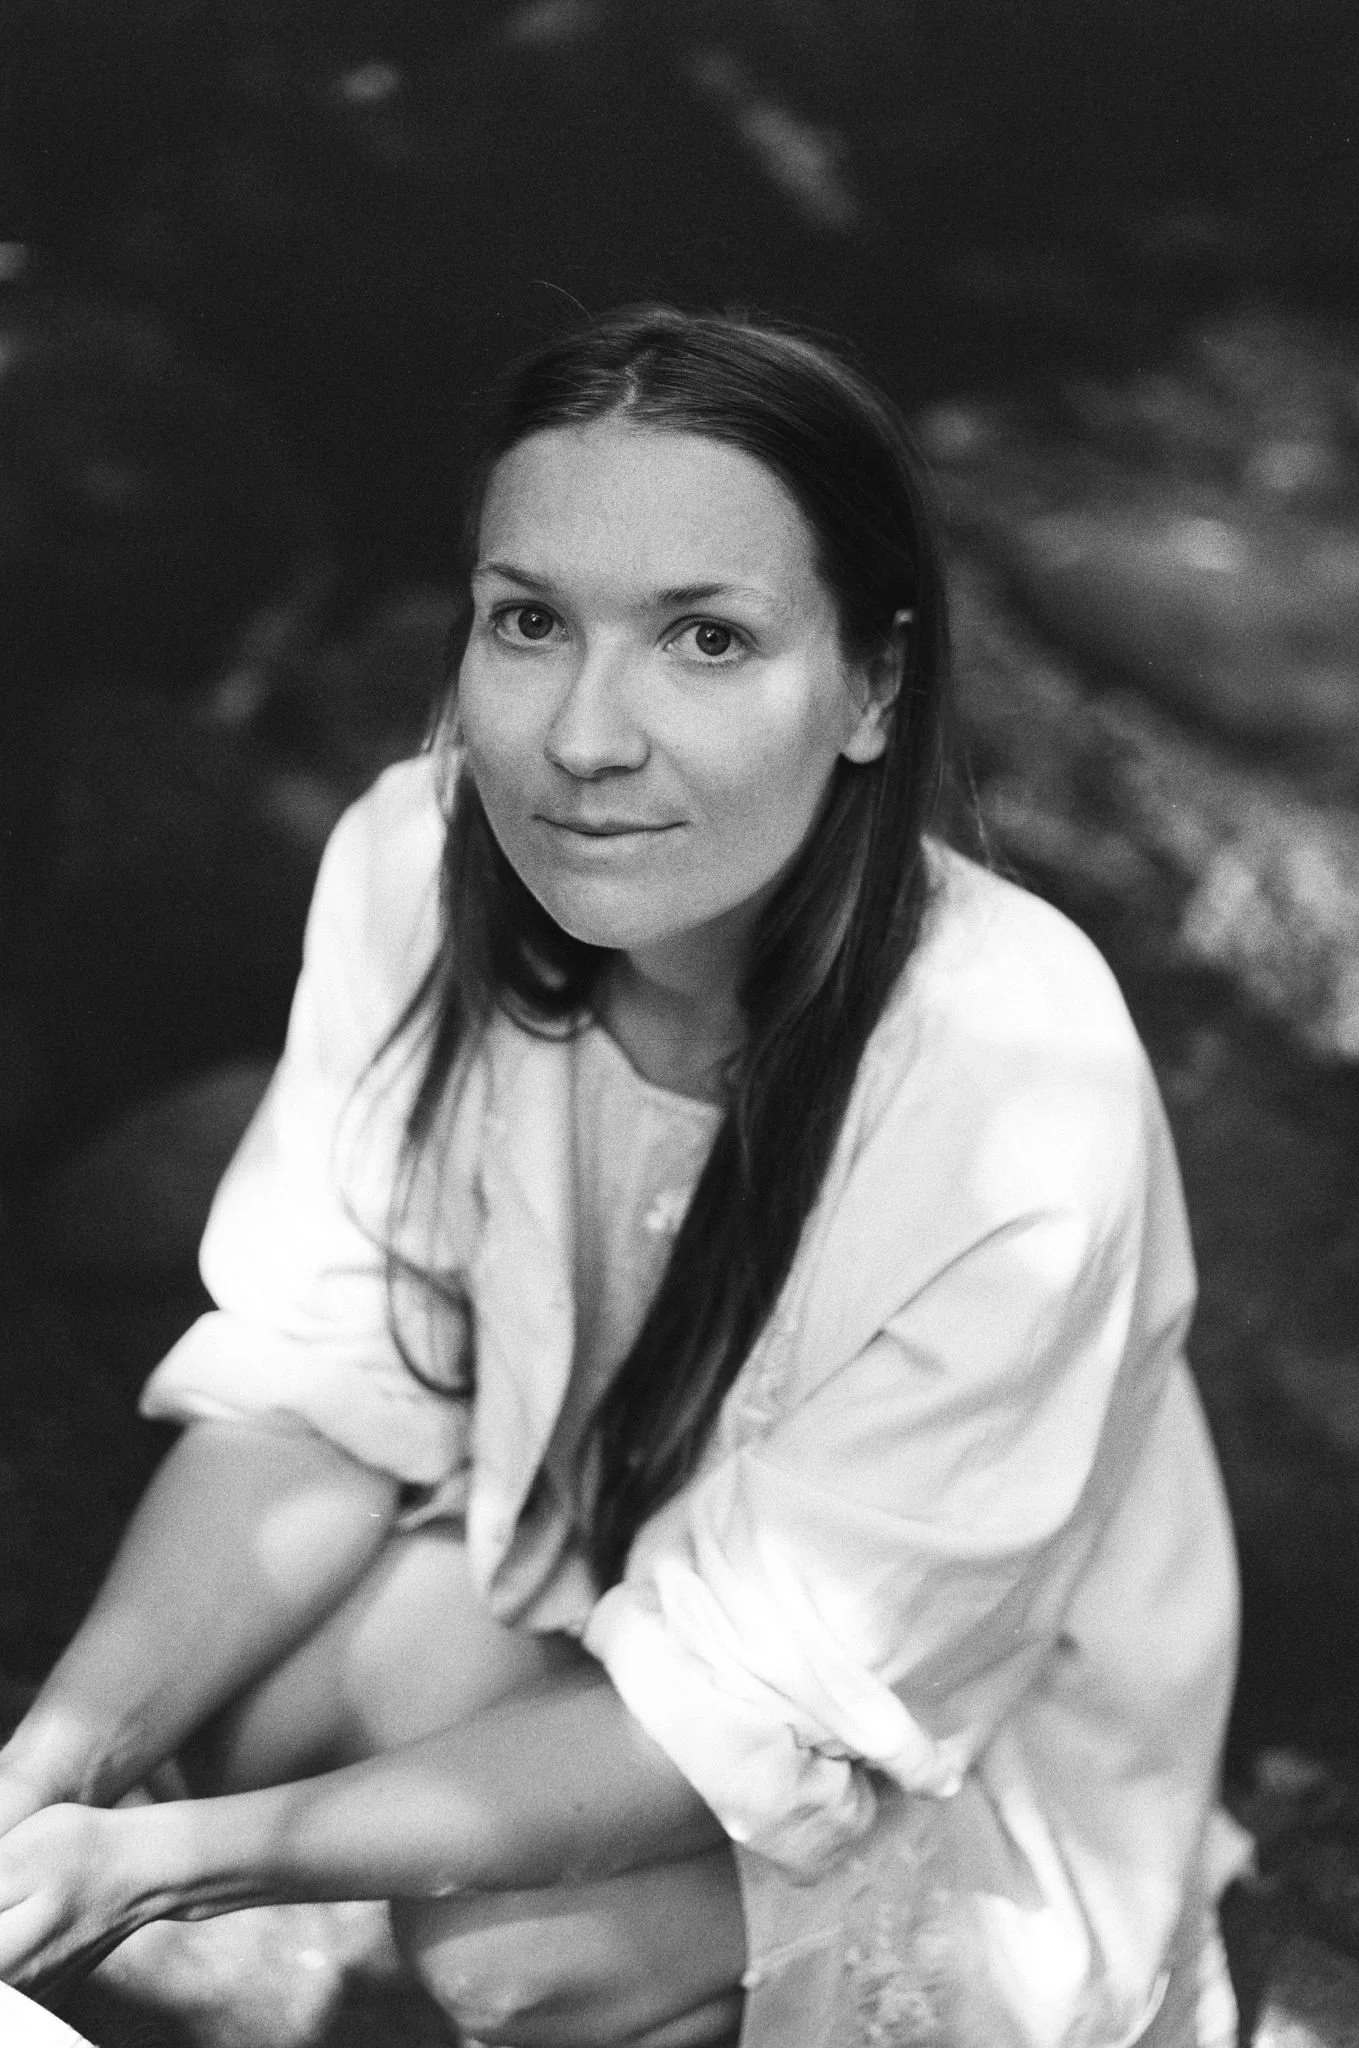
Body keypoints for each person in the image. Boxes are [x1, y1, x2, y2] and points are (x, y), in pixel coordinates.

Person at [0, 309, 1241, 2048]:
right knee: (266, 1695)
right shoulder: (411, 861)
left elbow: (767, 1702)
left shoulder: (1013, 1083)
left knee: (518, 1958)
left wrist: (175, 1867)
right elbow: (329, 1375)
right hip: (605, 1543)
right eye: (531, 622)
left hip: (942, 1715)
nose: (584, 735)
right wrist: (56, 1765)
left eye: (707, 640)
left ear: (874, 683)